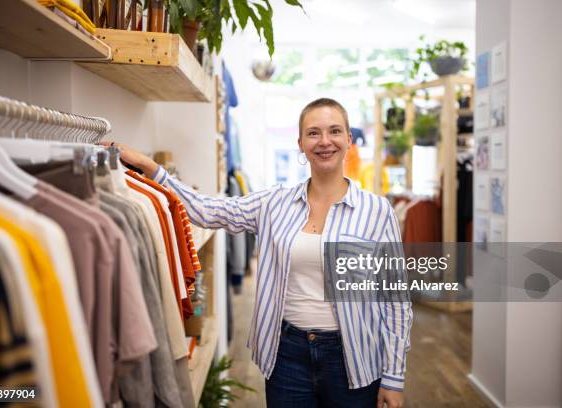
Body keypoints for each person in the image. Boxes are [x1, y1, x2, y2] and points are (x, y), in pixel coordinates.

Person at [103, 98, 412, 408]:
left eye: (334, 131)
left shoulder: (376, 211)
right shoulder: (274, 204)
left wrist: (394, 377)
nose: (324, 141)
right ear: (301, 144)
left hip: (354, 357)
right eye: (313, 133)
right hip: (288, 356)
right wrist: (151, 168)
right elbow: (207, 211)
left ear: (348, 140)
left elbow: (396, 300)